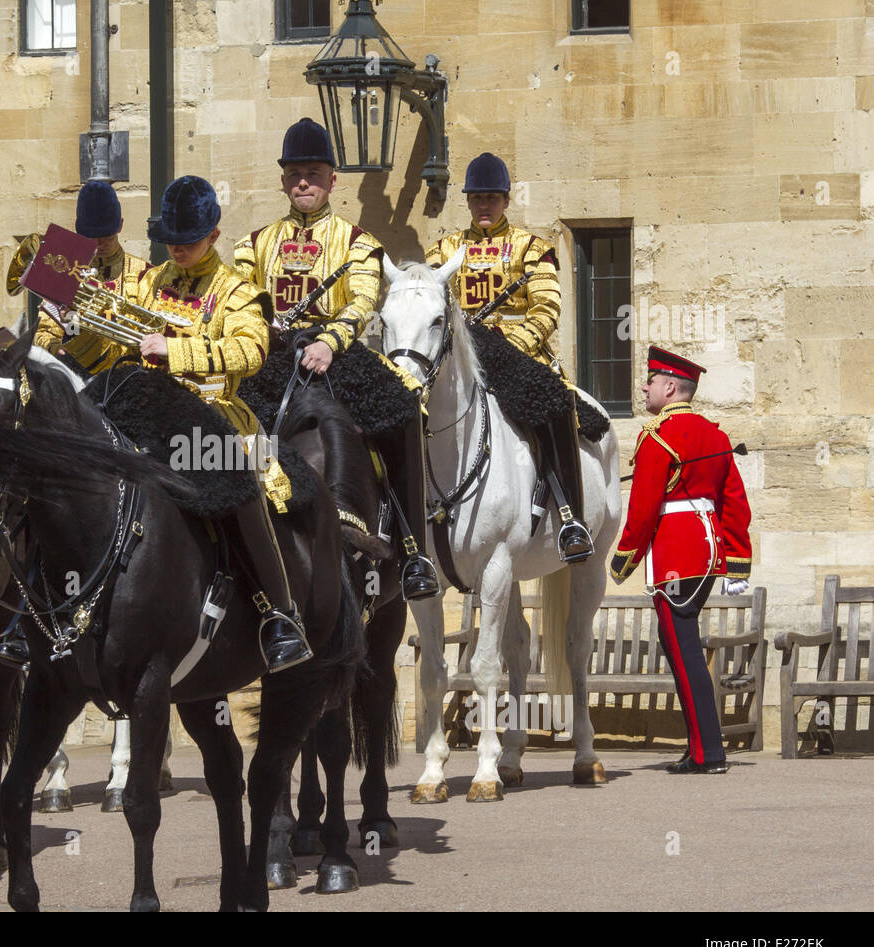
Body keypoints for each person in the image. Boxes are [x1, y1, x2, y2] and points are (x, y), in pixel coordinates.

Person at [235, 117, 439, 599]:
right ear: (283, 180)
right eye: (294, 174)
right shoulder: (253, 243)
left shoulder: (359, 243)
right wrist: (259, 330)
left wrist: (330, 341)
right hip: (270, 355)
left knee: (405, 403)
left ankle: (414, 550)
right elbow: (240, 295)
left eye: (313, 173)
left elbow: (363, 299)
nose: (303, 182)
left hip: (336, 354)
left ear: (332, 180)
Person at [137, 175, 311, 671]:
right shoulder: (150, 281)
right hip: (150, 407)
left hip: (216, 413)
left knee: (236, 480)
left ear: (213, 236)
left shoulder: (238, 290)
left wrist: (176, 351)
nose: (178, 249)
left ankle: (281, 615)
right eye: (171, 239)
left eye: (188, 241)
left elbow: (250, 351)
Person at [428, 152, 593, 563]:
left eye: (492, 197)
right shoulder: (444, 249)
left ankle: (570, 517)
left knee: (553, 403)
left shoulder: (532, 248)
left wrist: (508, 345)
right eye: (477, 198)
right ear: (467, 202)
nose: (484, 205)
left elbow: (547, 308)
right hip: (462, 360)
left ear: (505, 201)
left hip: (518, 356)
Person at [610, 347, 753, 775]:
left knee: (685, 653)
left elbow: (644, 508)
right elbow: (734, 503)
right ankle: (700, 748)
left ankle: (709, 752)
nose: (644, 387)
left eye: (650, 381)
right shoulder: (715, 435)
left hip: (676, 556)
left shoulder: (658, 437)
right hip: (707, 556)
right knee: (683, 650)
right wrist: (737, 559)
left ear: (670, 388)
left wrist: (622, 561)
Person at [33, 179, 149, 369]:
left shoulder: (145, 274)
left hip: (129, 376)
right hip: (79, 375)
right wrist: (57, 345)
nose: (99, 245)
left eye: (107, 238)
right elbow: (43, 332)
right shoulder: (67, 273)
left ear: (120, 226)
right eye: (91, 239)